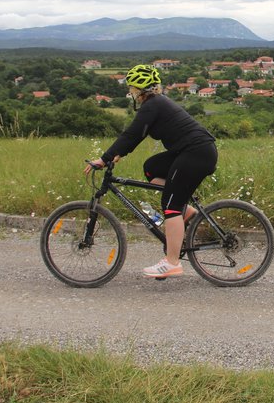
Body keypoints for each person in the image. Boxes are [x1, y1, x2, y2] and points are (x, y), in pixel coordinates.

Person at [84, 64, 217, 279]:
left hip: (196, 153)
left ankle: (172, 263)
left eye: (132, 89)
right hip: (194, 151)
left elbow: (132, 134)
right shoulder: (156, 104)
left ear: (138, 89)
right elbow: (136, 136)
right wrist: (119, 153)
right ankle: (187, 213)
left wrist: (105, 158)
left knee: (170, 206)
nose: (131, 93)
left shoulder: (152, 105)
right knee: (151, 168)